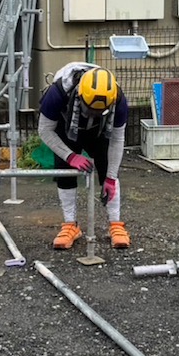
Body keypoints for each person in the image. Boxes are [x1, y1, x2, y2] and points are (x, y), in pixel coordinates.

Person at [37, 62, 130, 250]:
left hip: (100, 129)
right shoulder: (57, 93)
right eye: (90, 110)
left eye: (98, 111)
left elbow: (117, 139)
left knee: (107, 167)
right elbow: (45, 130)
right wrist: (70, 156)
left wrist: (111, 177)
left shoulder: (119, 100)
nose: (93, 114)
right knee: (64, 168)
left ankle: (116, 224)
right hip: (66, 125)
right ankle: (70, 225)